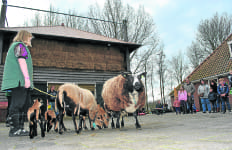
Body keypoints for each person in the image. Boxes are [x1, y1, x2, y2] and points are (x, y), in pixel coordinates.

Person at [1, 30, 34, 137]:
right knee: (17, 104)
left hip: (20, 81)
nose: (30, 39)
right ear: (25, 37)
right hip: (19, 81)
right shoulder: (20, 46)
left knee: (25, 104)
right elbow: (21, 61)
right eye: (29, 37)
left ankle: (20, 128)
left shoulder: (19, 46)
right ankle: (15, 129)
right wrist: (27, 78)